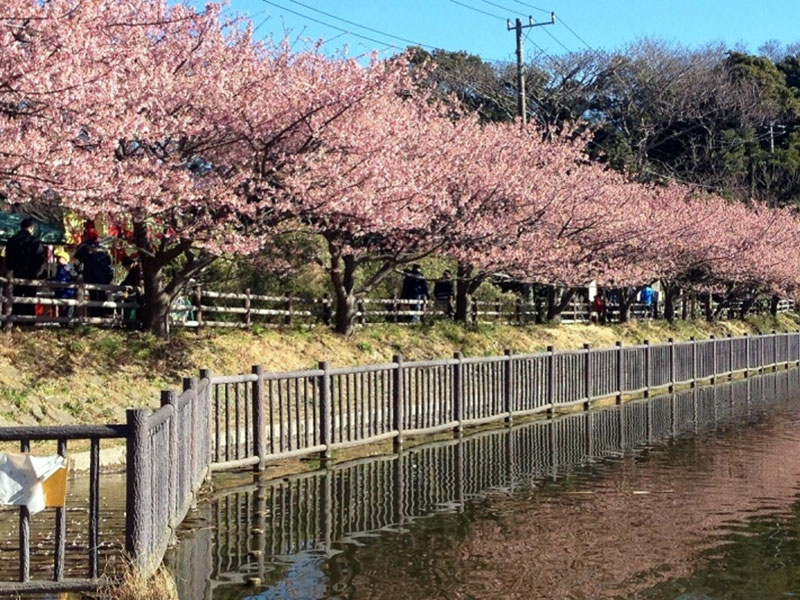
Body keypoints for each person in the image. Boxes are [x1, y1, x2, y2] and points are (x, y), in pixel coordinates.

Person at [3, 218, 46, 317]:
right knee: (30, 298)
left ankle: (13, 319)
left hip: (15, 273)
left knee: (14, 297)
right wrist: (37, 271)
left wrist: (9, 269)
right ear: (31, 228)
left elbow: (8, 258)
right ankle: (28, 321)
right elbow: (40, 258)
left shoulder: (12, 240)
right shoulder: (35, 241)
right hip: (30, 274)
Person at [75, 229, 113, 317]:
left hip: (90, 276)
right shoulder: (103, 249)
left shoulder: (83, 247)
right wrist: (109, 276)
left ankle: (93, 315)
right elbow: (109, 263)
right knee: (101, 295)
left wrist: (78, 273)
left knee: (92, 296)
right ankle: (102, 316)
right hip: (103, 278)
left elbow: (76, 261)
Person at [52, 248, 77, 320]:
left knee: (68, 310)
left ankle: (68, 323)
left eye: (59, 258)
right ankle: (62, 323)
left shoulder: (68, 268)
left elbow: (74, 276)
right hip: (61, 292)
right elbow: (57, 278)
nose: (57, 260)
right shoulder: (59, 268)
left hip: (68, 292)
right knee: (61, 309)